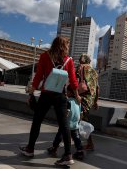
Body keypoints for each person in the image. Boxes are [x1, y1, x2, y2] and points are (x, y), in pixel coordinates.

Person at [19, 36, 81, 166]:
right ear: (64, 46)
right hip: (61, 95)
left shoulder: (45, 56)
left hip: (46, 94)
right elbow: (74, 81)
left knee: (37, 120)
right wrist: (77, 96)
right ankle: (68, 155)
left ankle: (30, 149)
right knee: (64, 124)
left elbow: (38, 77)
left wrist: (31, 93)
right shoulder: (69, 60)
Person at [47, 84, 84, 160]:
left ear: (70, 92)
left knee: (59, 136)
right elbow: (81, 114)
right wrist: (79, 122)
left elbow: (66, 113)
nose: (66, 92)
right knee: (76, 138)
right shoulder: (79, 102)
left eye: (67, 91)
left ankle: (54, 148)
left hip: (66, 124)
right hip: (75, 124)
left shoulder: (68, 101)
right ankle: (80, 151)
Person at [76, 53, 99, 151]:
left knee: (79, 120)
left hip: (82, 98)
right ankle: (88, 143)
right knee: (83, 120)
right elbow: (97, 88)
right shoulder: (94, 71)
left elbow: (74, 82)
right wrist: (96, 101)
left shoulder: (80, 68)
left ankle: (89, 144)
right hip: (90, 99)